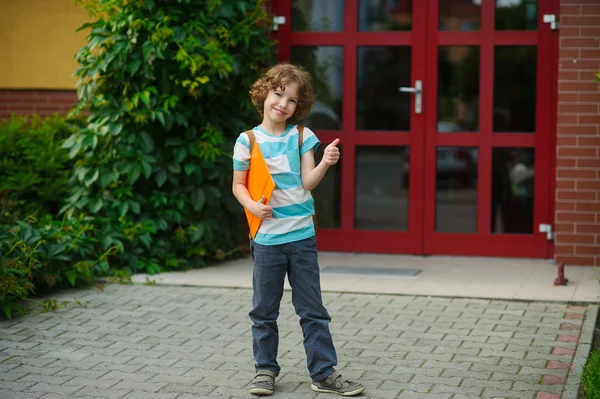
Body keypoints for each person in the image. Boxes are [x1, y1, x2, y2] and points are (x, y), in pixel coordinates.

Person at [232, 63, 365, 397]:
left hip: (302, 238)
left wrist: (325, 162)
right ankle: (264, 371)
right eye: (278, 94)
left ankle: (323, 374)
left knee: (312, 310)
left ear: (298, 107)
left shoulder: (303, 137)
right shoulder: (247, 141)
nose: (283, 104)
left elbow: (308, 183)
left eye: (291, 100)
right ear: (264, 93)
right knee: (263, 310)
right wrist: (252, 206)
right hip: (266, 240)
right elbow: (238, 186)